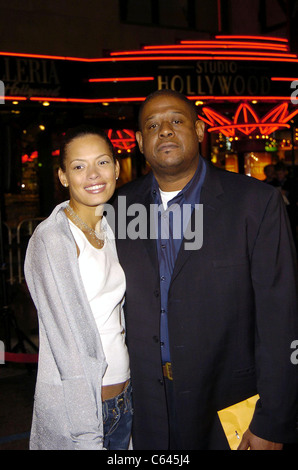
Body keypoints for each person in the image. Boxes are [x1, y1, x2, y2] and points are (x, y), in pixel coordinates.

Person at [112, 89, 298, 450]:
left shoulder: (256, 203)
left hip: (228, 406)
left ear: (199, 130)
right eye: (152, 125)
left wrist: (274, 421)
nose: (165, 130)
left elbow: (282, 318)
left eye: (177, 121)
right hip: (145, 409)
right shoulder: (118, 208)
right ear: (139, 141)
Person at [24, 125, 132, 450]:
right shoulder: (53, 240)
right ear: (63, 177)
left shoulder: (113, 227)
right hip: (83, 413)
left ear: (116, 167)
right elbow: (66, 347)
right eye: (79, 166)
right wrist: (87, 434)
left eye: (102, 162)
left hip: (125, 398)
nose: (93, 175)